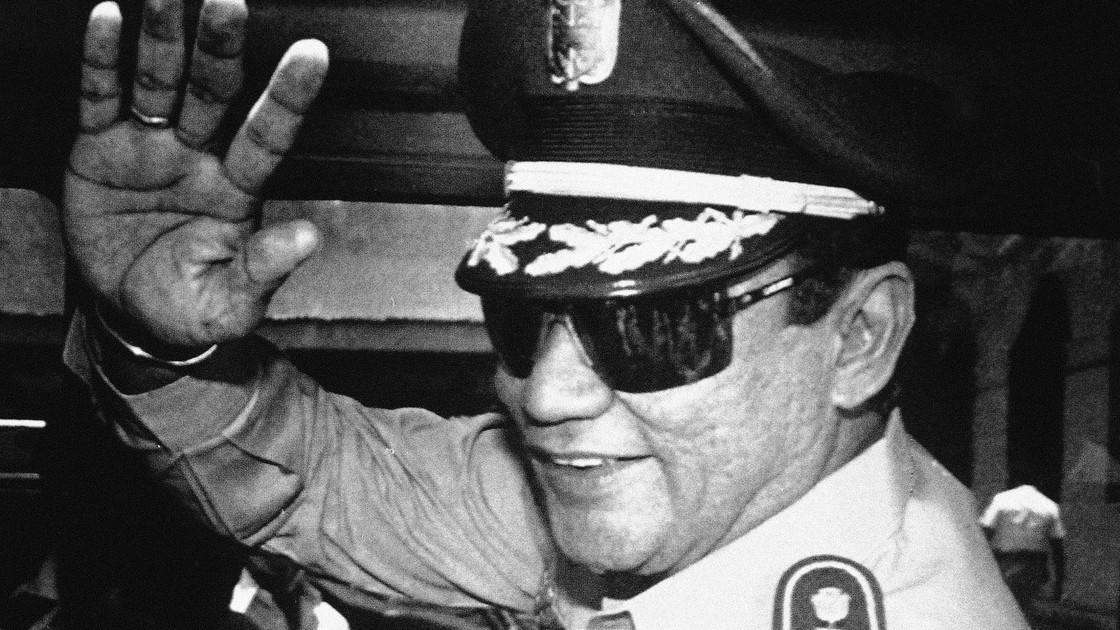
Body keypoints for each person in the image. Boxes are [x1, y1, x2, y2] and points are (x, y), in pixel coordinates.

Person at [59, 0, 1031, 627]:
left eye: (653, 328)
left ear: (859, 339)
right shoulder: (693, 497)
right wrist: (156, 341)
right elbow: (324, 478)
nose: (546, 395)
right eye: (522, 320)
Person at [980, 484, 1068, 612]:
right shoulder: (1050, 506)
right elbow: (1057, 549)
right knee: (1022, 610)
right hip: (1033, 567)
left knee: (994, 607)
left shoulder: (1002, 499)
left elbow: (984, 532)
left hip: (1003, 562)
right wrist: (1059, 584)